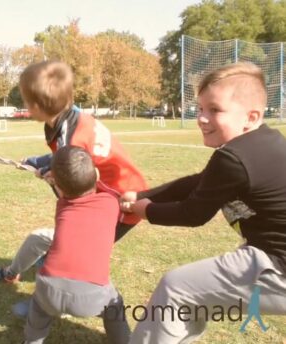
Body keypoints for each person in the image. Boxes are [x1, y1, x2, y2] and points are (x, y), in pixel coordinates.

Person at [121, 62, 286, 343]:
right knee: (189, 297)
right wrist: (141, 195)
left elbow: (192, 214)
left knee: (176, 288)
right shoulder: (264, 140)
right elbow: (199, 182)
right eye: (200, 109)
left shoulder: (233, 158)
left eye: (215, 110)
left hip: (278, 267)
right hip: (274, 258)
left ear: (251, 116)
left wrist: (144, 209)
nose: (201, 118)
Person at [0, 60, 147, 283]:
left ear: (37, 107)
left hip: (122, 203)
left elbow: (71, 186)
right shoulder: (69, 120)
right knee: (45, 241)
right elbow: (67, 157)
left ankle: (54, 300)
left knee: (71, 251)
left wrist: (51, 177)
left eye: (27, 102)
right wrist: (37, 161)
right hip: (106, 195)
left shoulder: (71, 137)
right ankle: (13, 274)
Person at [22, 146, 129, 344]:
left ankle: (32, 341)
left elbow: (66, 195)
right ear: (95, 174)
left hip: (48, 289)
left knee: (39, 308)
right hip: (92, 297)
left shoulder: (62, 206)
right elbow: (98, 189)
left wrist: (50, 180)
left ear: (58, 186)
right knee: (115, 306)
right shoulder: (110, 202)